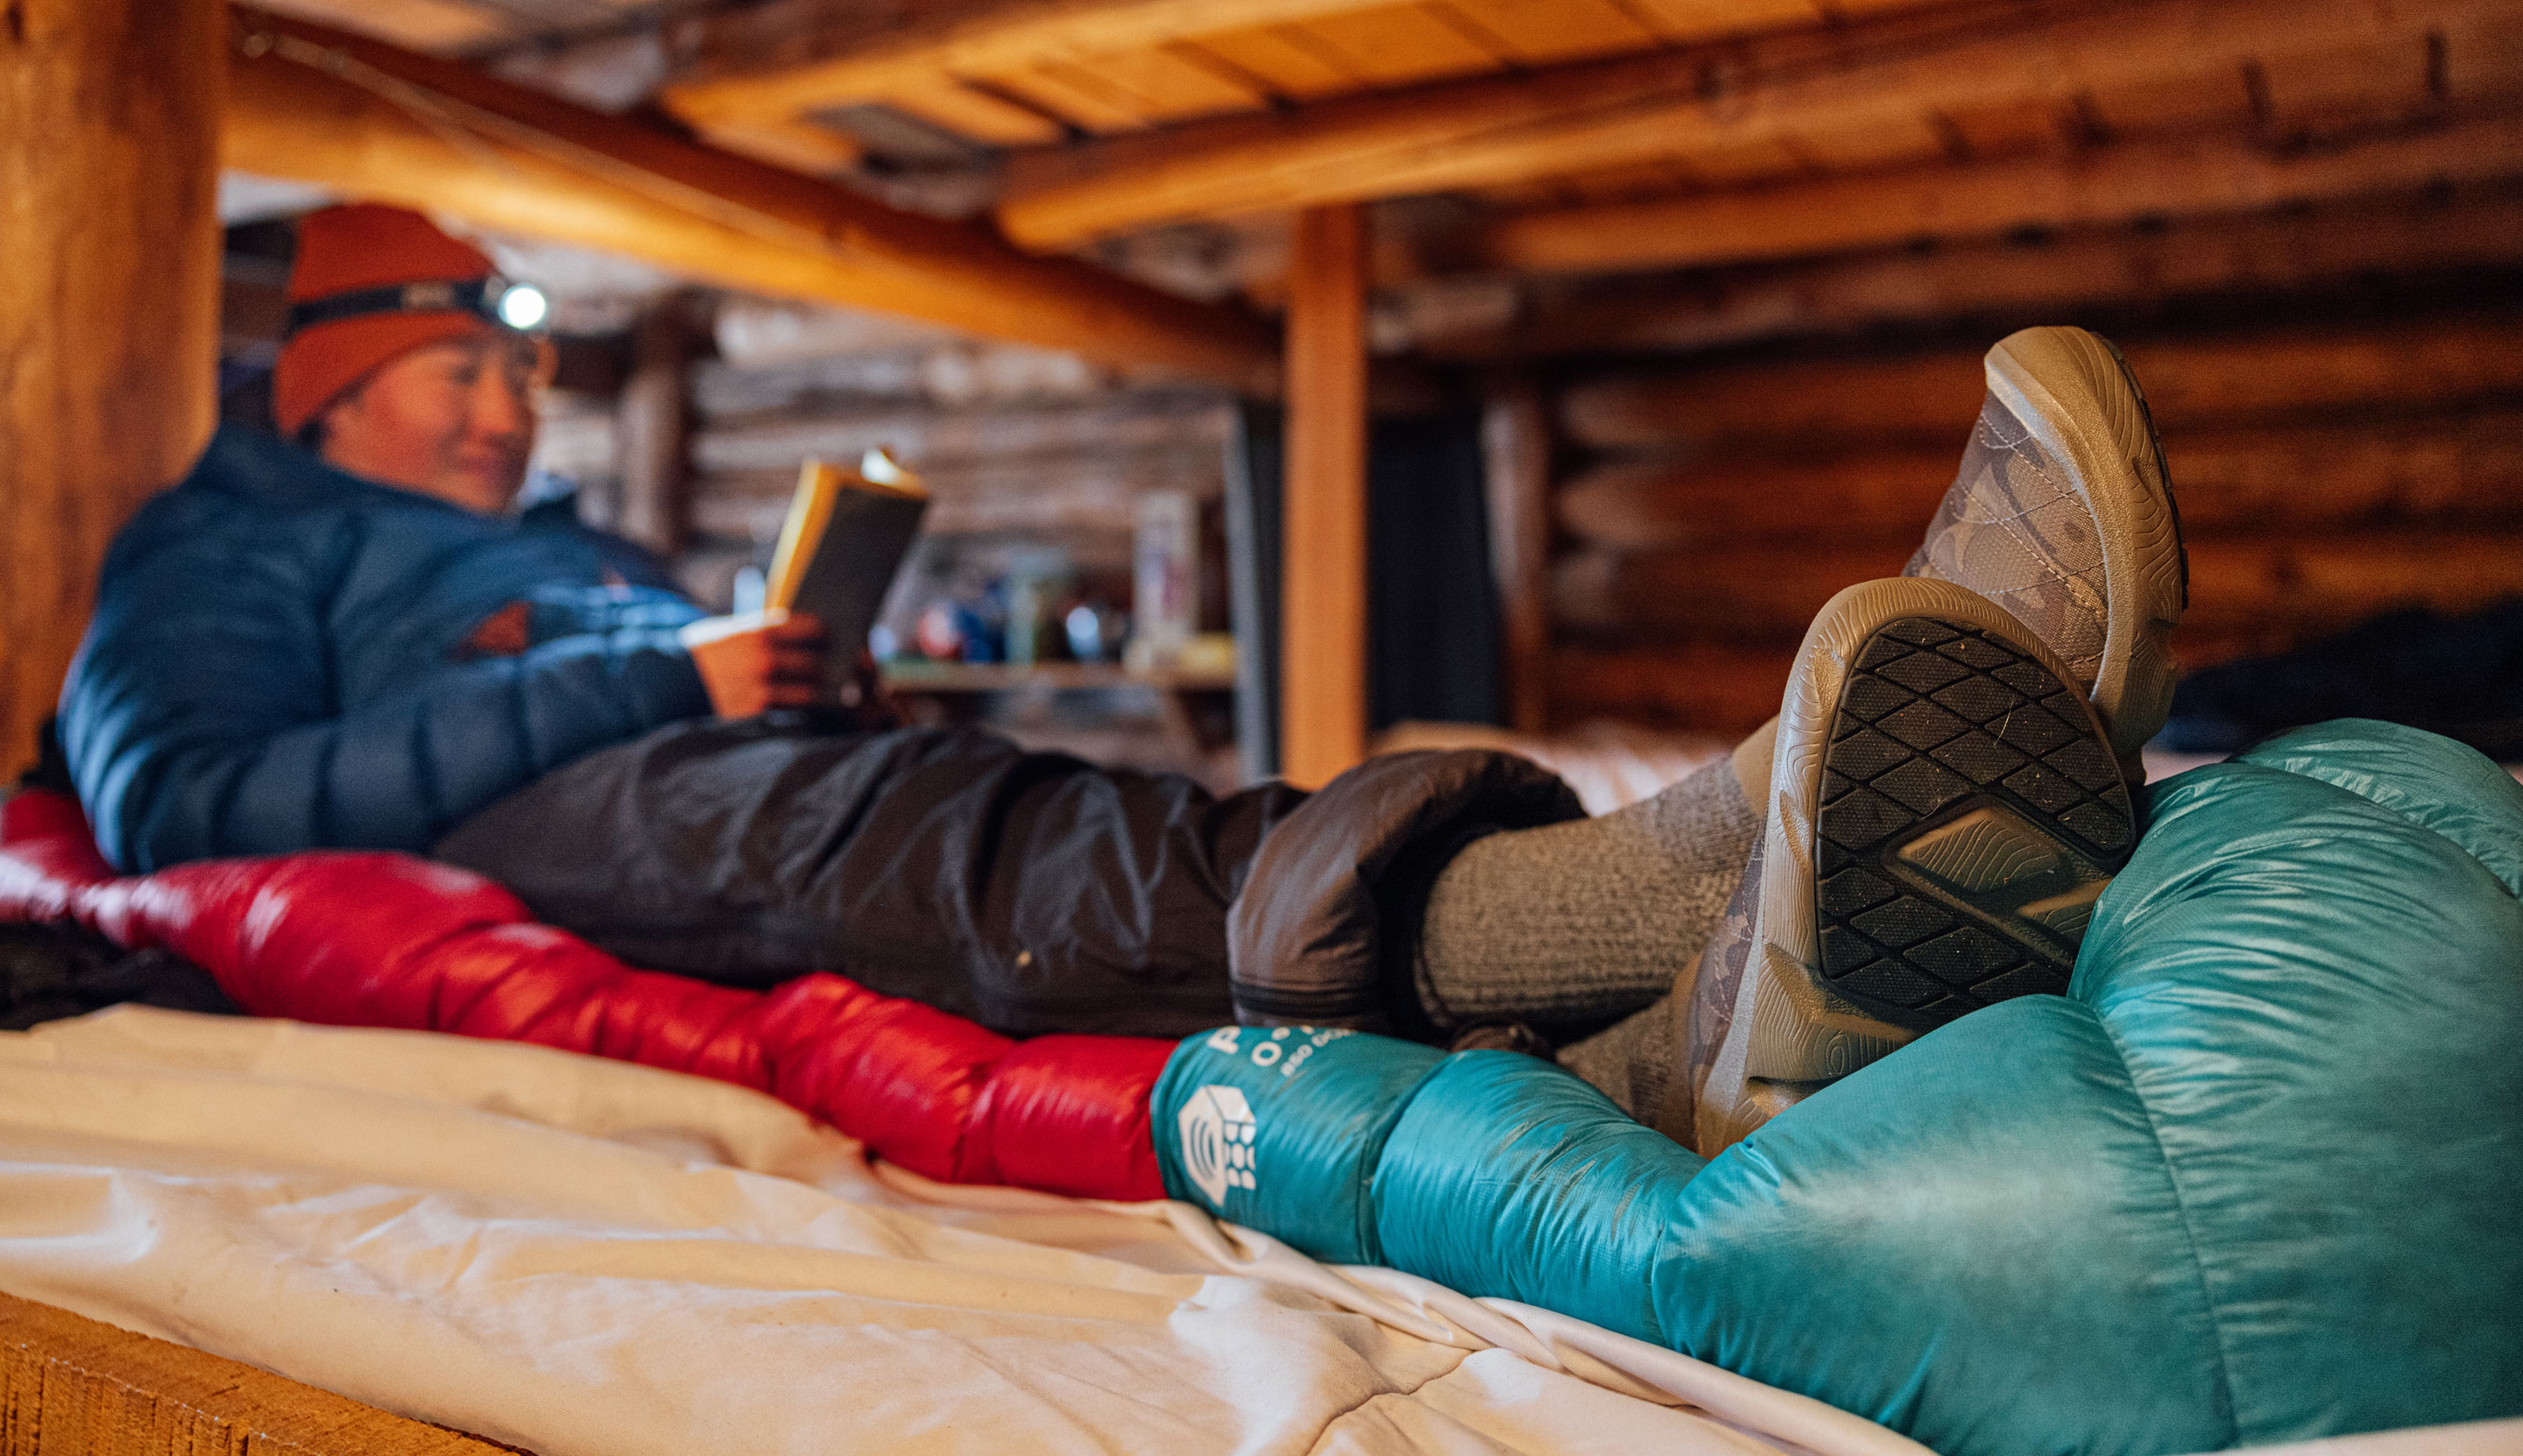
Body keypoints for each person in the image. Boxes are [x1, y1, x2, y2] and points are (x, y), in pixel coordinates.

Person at [58, 203, 2187, 1155]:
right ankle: (1663, 880)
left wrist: (747, 649)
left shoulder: (536, 545)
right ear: (328, 388)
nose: (511, 409)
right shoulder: (224, 544)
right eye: (462, 370)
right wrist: (653, 685)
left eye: (526, 370)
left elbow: (630, 669)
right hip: (504, 833)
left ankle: (1667, 994)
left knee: (1029, 801)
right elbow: (179, 806)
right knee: (889, 827)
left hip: (684, 760)